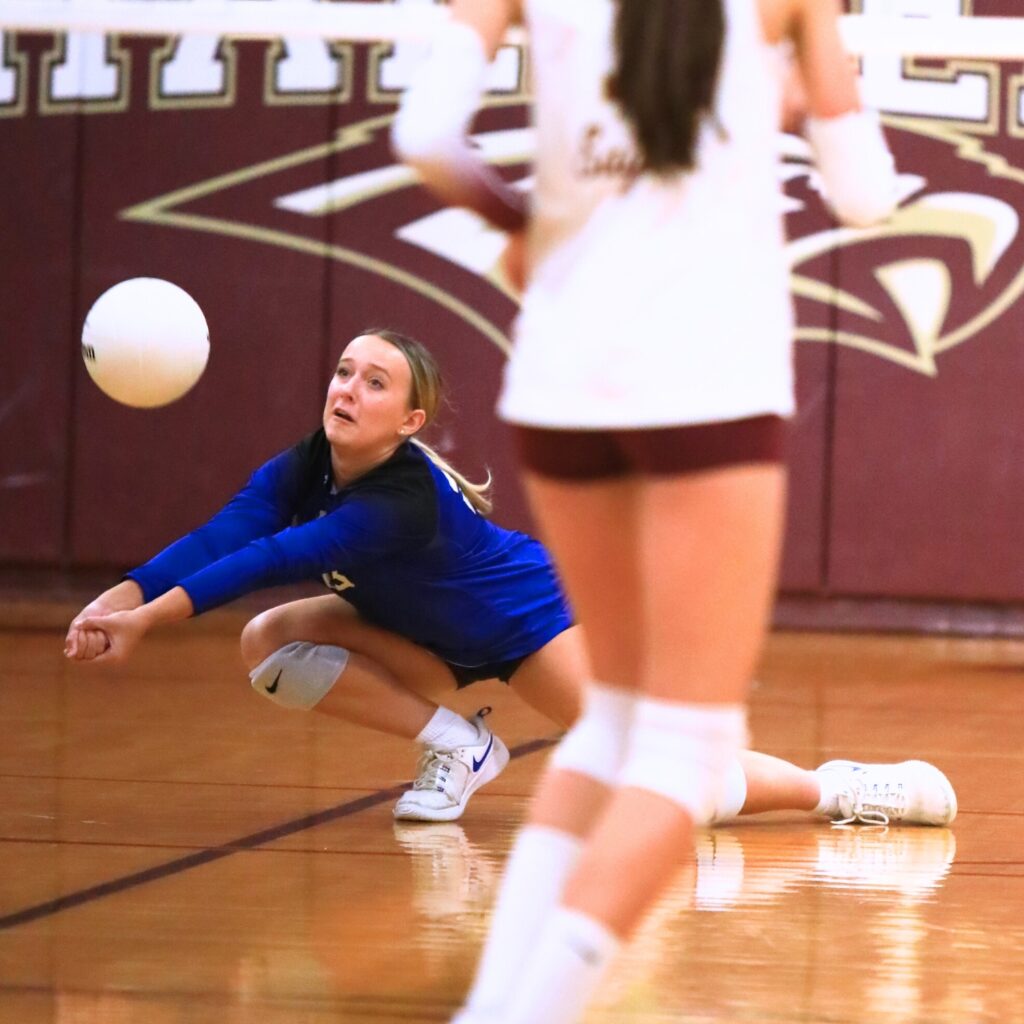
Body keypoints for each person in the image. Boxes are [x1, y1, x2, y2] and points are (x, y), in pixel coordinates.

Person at [393, 0, 906, 1021]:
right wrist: (798, 86)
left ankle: (493, 1009)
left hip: (560, 382)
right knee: (684, 750)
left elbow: (421, 140)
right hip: (707, 384)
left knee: (613, 728)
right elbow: (864, 195)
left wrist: (523, 219)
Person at [64, 330, 951, 834]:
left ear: (409, 420)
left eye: (375, 383)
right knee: (270, 644)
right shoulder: (307, 464)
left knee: (681, 791)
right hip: (419, 638)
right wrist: (128, 596)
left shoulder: (399, 499)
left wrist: (152, 621)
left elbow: (268, 561)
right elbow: (231, 533)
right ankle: (459, 744)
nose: (348, 389)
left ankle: (838, 787)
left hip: (529, 624)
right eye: (342, 371)